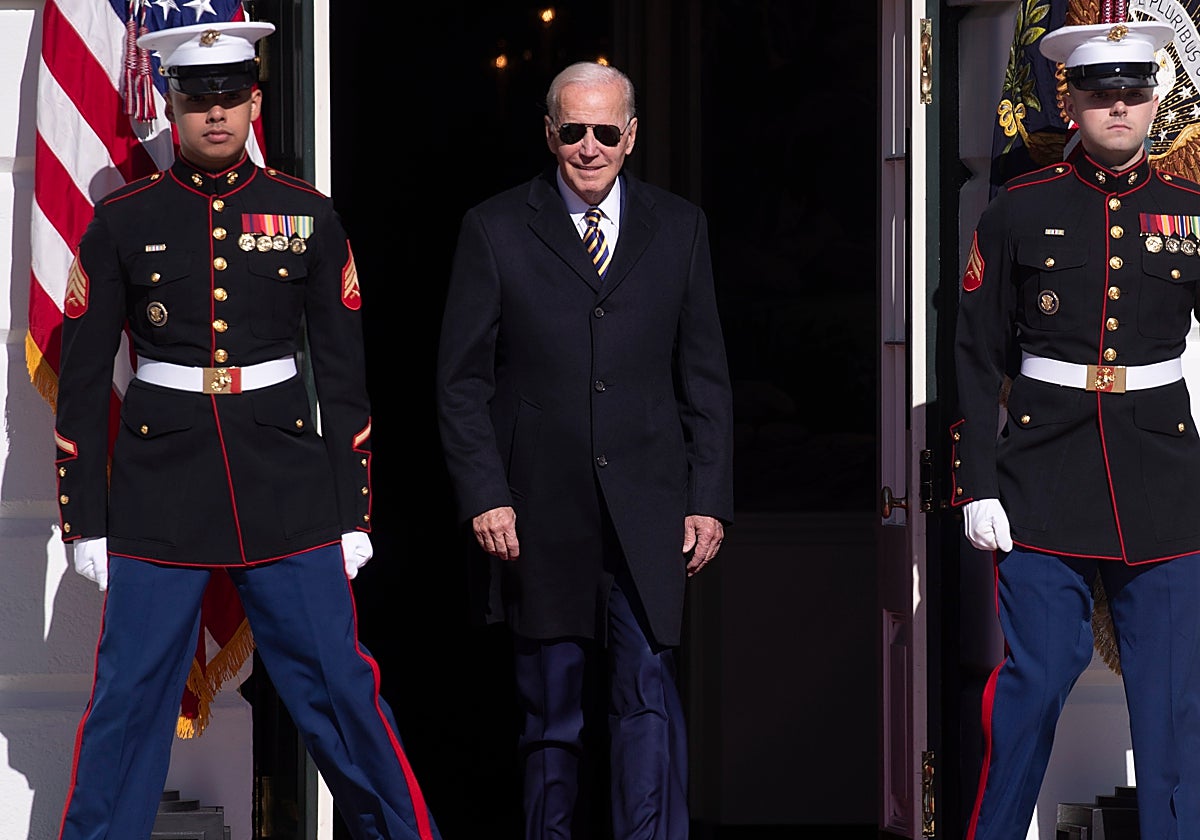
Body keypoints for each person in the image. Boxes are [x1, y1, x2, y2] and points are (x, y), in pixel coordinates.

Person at [52, 21, 440, 840]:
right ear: (171, 106)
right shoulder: (123, 220)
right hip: (159, 489)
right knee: (127, 703)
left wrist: (353, 511)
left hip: (287, 484)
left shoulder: (306, 214)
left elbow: (342, 377)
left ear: (256, 103)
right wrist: (84, 519)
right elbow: (81, 386)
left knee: (339, 689)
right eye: (199, 99)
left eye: (232, 97)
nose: (216, 114)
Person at [435, 60, 734, 838]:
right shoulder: (495, 227)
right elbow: (460, 383)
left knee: (645, 700)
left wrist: (708, 499)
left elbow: (705, 377)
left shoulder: (680, 226)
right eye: (574, 131)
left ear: (631, 136)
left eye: (605, 131)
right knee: (552, 716)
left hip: (650, 509)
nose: (589, 147)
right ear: (550, 133)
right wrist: (485, 494)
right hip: (538, 509)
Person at [952, 19, 1200, 840]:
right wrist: (976, 483)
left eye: (1133, 91)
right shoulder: (1019, 209)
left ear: (1157, 101)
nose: (1118, 106)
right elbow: (975, 353)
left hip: (1164, 484)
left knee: (1172, 708)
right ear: (1072, 104)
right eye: (1100, 93)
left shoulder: (1189, 212)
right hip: (1042, 478)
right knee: (1033, 687)